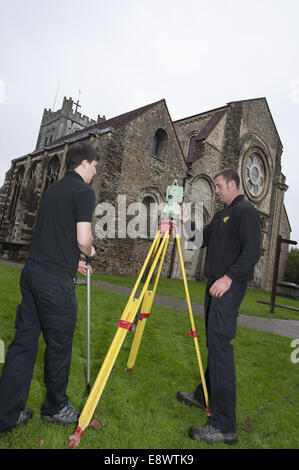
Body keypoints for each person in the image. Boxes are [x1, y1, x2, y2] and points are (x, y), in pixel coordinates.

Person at [0, 142, 99, 437]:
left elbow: (52, 234)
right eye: (94, 166)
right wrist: (90, 252)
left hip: (33, 273)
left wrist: (73, 265)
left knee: (24, 344)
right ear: (84, 164)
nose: (95, 171)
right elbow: (82, 239)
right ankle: (56, 407)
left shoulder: (53, 190)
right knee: (59, 347)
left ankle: (7, 414)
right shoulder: (84, 192)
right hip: (54, 284)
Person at [177, 167, 261, 444]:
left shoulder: (245, 212)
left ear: (233, 184)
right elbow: (199, 240)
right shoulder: (219, 215)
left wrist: (228, 279)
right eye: (214, 186)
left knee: (221, 347)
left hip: (229, 286)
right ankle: (203, 397)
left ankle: (225, 424)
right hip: (215, 285)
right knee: (214, 344)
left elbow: (251, 253)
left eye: (219, 185)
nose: (216, 190)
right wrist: (187, 220)